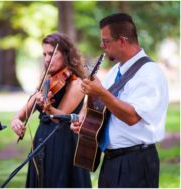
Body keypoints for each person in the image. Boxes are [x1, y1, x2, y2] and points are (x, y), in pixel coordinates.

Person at [71, 13, 169, 187]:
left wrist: (101, 92)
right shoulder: (116, 70)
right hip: (111, 160)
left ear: (122, 41)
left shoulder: (150, 73)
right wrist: (83, 118)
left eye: (106, 41)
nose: (102, 46)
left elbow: (132, 116)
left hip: (136, 162)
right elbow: (97, 101)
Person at [11, 33, 91, 188]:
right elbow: (22, 113)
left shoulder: (77, 83)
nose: (47, 59)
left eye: (52, 54)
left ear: (66, 55)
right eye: (44, 54)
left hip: (63, 142)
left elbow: (59, 118)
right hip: (42, 139)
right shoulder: (47, 79)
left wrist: (49, 108)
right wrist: (16, 121)